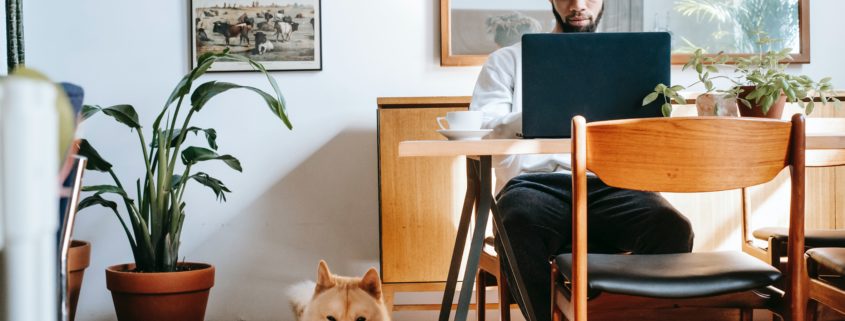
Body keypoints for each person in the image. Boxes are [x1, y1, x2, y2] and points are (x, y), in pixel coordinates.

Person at [469, 1, 695, 320]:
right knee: (516, 223)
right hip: (531, 187)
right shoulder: (507, 61)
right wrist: (545, 110)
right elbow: (484, 129)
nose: (577, 5)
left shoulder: (626, 62)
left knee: (672, 228)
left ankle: (619, 314)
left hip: (612, 185)